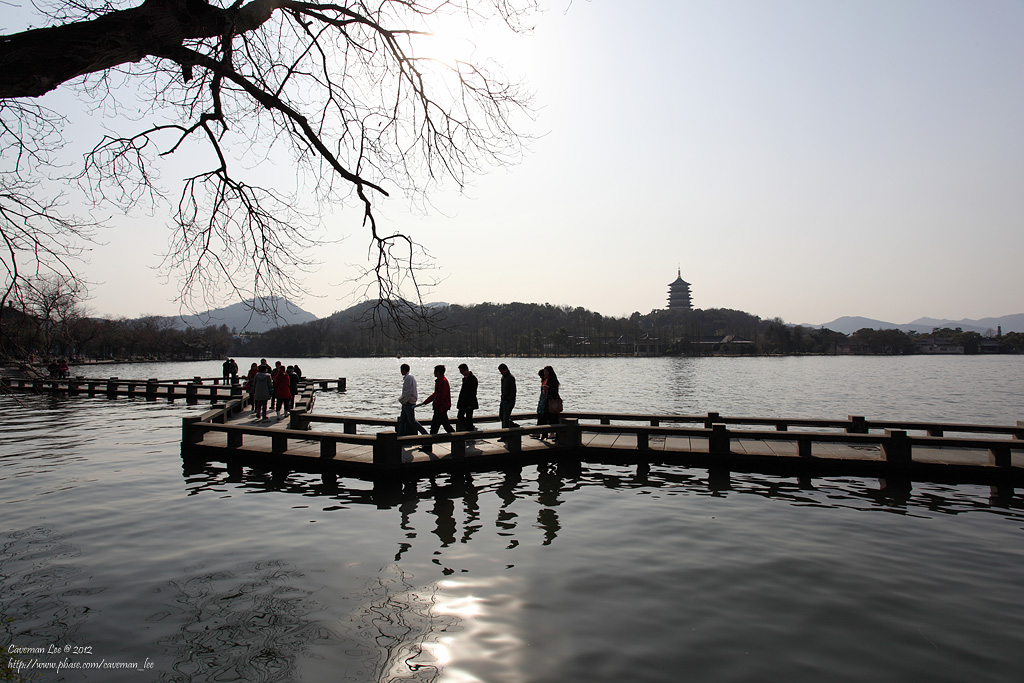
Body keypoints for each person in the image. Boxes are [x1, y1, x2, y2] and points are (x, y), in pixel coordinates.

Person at [420, 364, 454, 453]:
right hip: (440, 407)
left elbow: (441, 396)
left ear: (438, 372)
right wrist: (426, 401)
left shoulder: (443, 382)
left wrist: (437, 405)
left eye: (435, 371)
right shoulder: (441, 381)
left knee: (434, 427)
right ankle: (457, 440)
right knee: (446, 426)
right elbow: (435, 394)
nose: (434, 373)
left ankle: (428, 446)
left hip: (440, 408)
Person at [397, 364, 427, 437]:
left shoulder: (408, 378)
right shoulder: (410, 377)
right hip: (407, 402)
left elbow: (408, 392)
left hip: (408, 402)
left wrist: (403, 400)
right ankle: (399, 436)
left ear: (403, 370)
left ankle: (425, 434)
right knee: (402, 420)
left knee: (411, 421)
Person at [536, 365, 562, 440]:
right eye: (544, 372)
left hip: (551, 403)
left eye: (546, 371)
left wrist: (549, 388)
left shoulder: (553, 380)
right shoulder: (546, 379)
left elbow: (555, 392)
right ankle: (544, 434)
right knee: (544, 419)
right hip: (546, 403)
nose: (545, 373)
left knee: (553, 420)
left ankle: (557, 436)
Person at [456, 363, 479, 431]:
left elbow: (473, 392)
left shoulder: (473, 378)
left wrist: (470, 404)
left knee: (468, 417)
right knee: (460, 416)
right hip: (463, 402)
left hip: (469, 402)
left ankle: (470, 428)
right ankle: (470, 428)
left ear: (465, 370)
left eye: (461, 371)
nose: (461, 373)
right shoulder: (465, 378)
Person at [498, 363, 518, 434]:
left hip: (509, 401)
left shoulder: (511, 378)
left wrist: (509, 398)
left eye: (501, 371)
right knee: (501, 416)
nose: (501, 373)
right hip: (503, 399)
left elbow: (513, 391)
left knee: (505, 418)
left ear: (505, 369)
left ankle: (505, 434)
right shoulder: (503, 378)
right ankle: (513, 426)